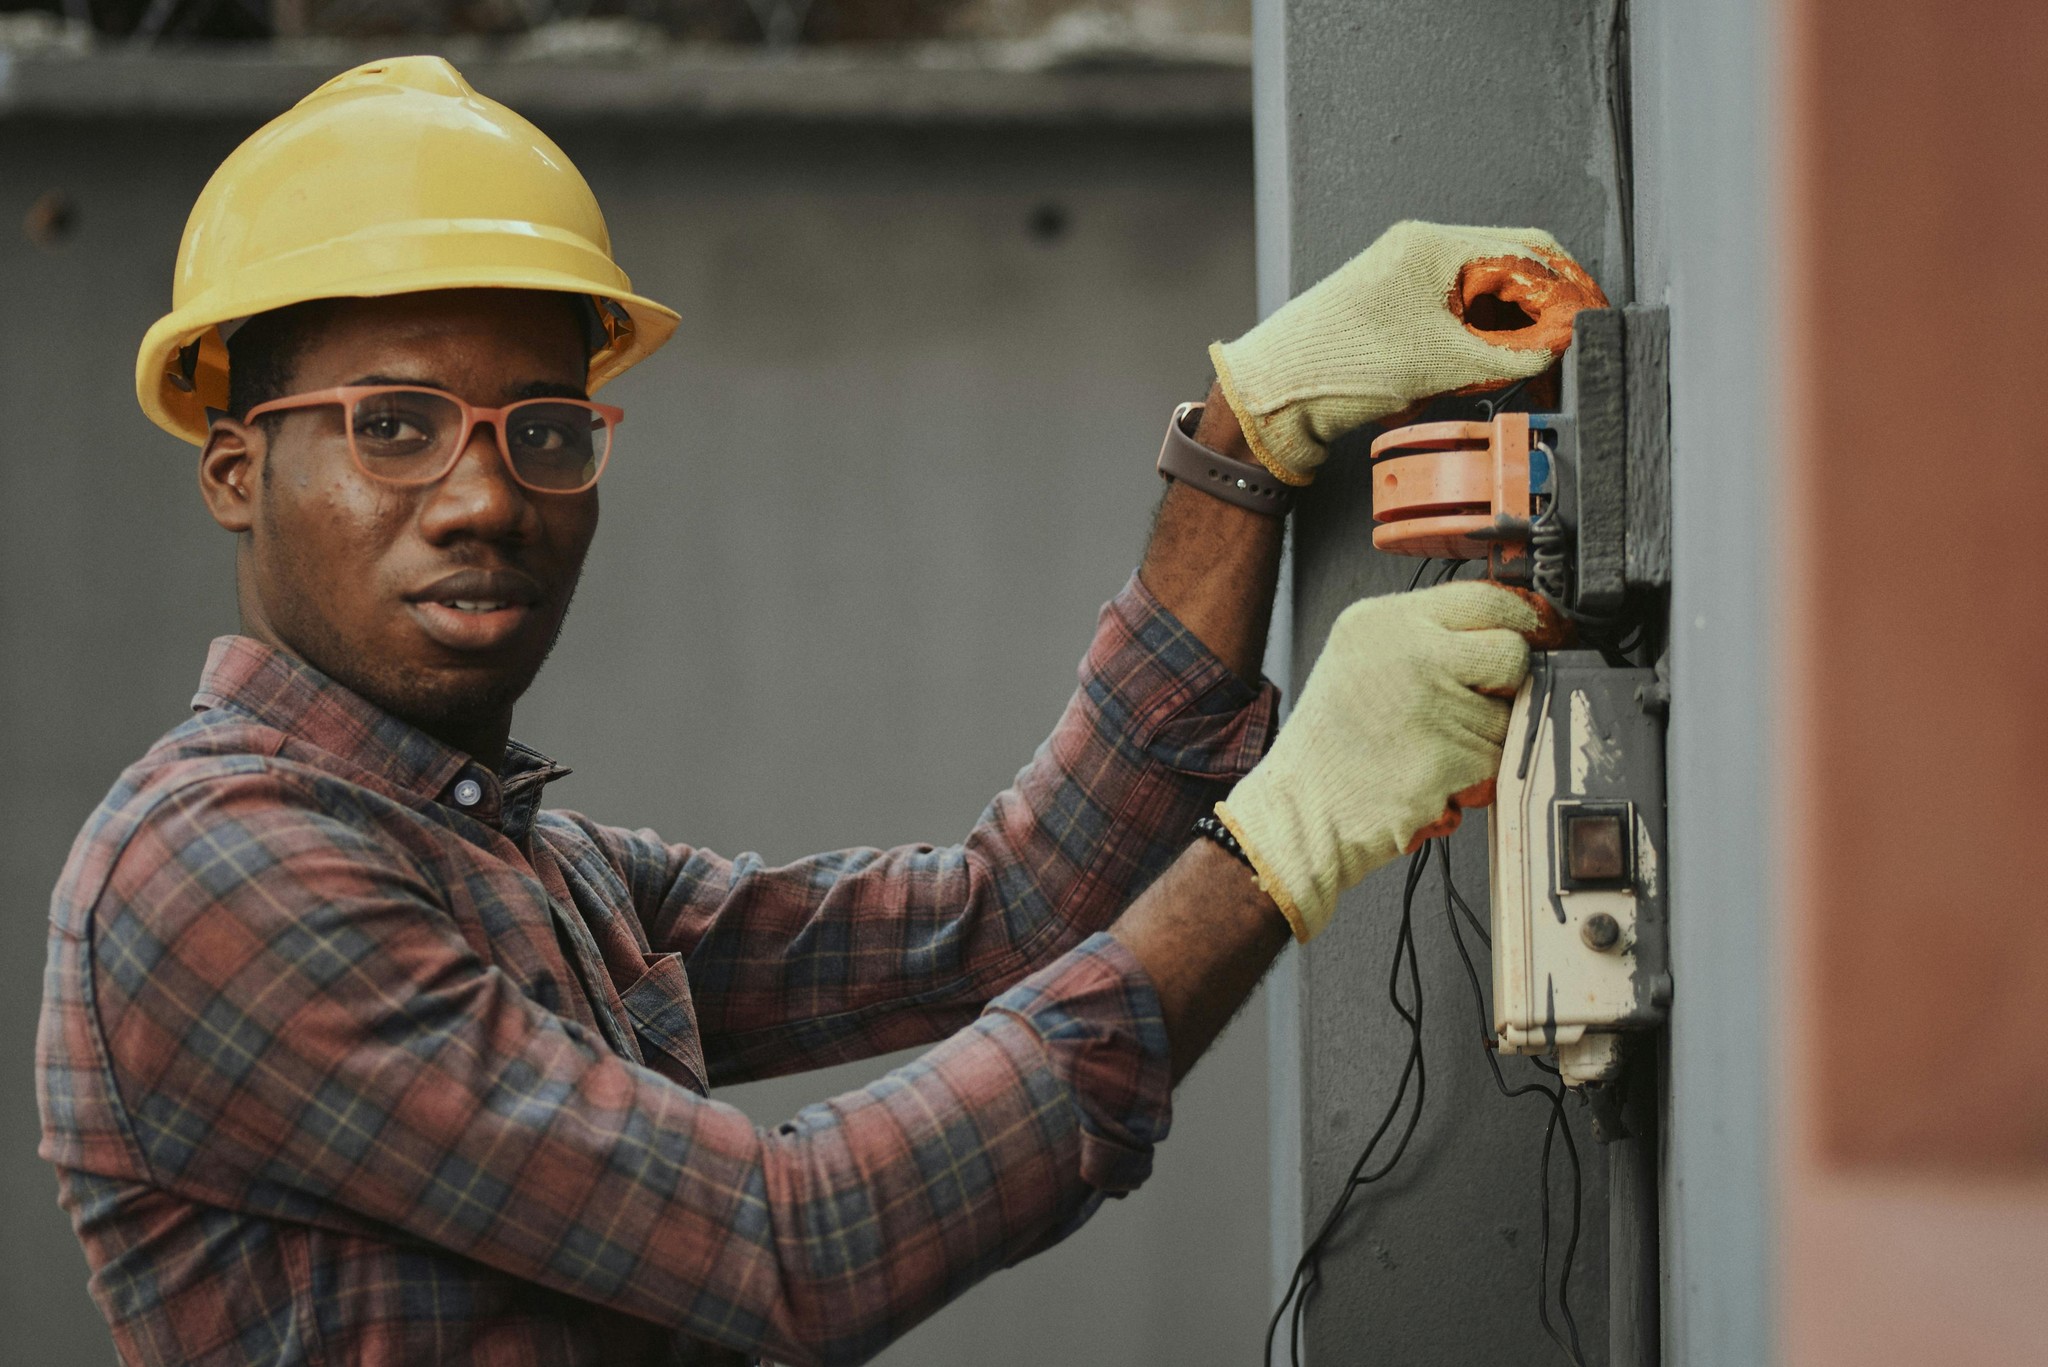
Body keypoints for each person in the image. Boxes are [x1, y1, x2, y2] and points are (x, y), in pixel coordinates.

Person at [35, 55, 1604, 1367]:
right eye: (392, 428)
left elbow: (1000, 926)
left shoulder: (536, 869)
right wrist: (1283, 842)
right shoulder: (218, 877)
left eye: (544, 431)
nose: (481, 498)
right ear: (237, 470)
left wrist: (1246, 436)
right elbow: (790, 1249)